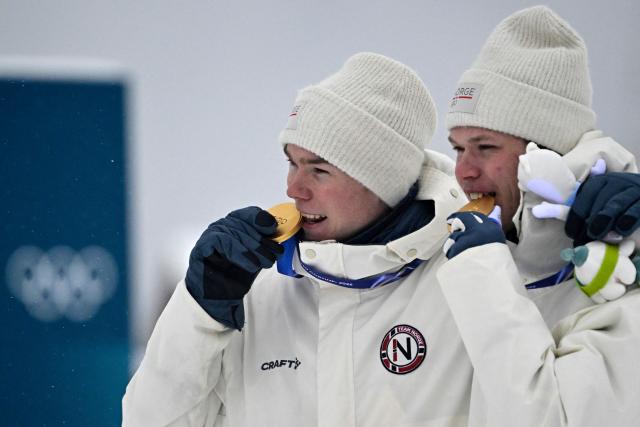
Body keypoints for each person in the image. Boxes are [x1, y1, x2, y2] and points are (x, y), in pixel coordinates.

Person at [122, 52, 478, 426]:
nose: (293, 188)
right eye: (292, 162)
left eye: (319, 170)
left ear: (382, 183)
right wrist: (197, 309)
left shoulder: (464, 279)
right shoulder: (251, 290)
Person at [439, 6, 640, 426]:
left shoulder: (624, 276)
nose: (464, 170)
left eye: (485, 147)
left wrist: (482, 274)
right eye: (458, 148)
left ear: (545, 151)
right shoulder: (467, 245)